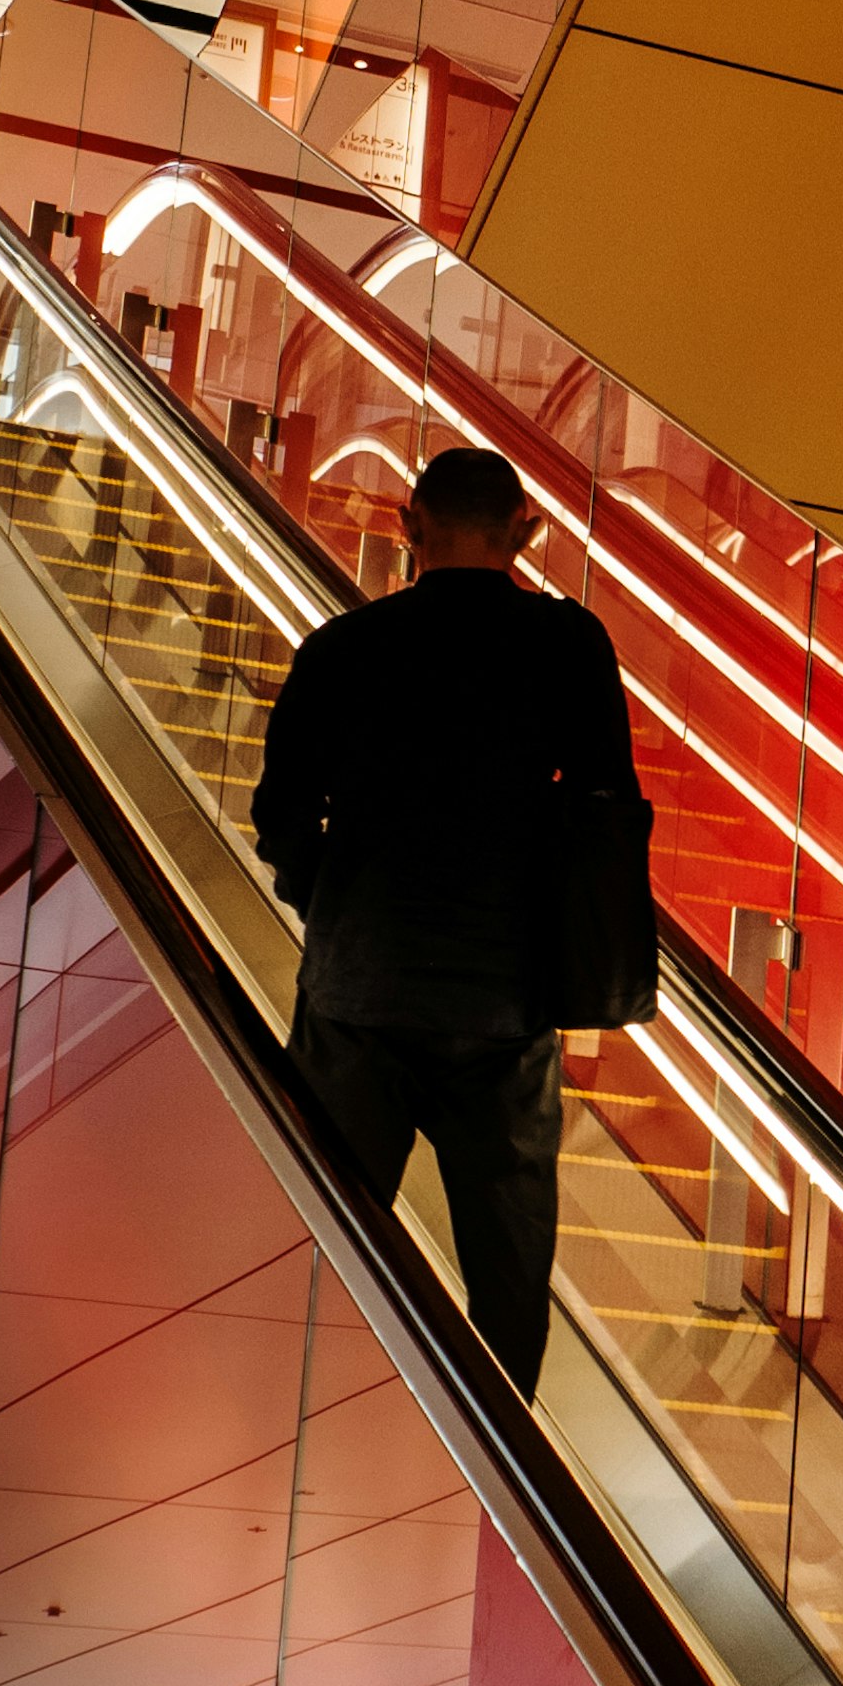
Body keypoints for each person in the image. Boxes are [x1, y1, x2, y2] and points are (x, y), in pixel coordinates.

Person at [255, 441, 638, 1385]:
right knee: (508, 1274)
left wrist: (332, 906)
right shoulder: (568, 645)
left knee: (323, 1236)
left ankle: (303, 1408)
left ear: (407, 526)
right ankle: (502, 1456)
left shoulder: (344, 648)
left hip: (358, 993)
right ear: (526, 531)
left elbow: (281, 814)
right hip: (502, 1004)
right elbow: (607, 807)